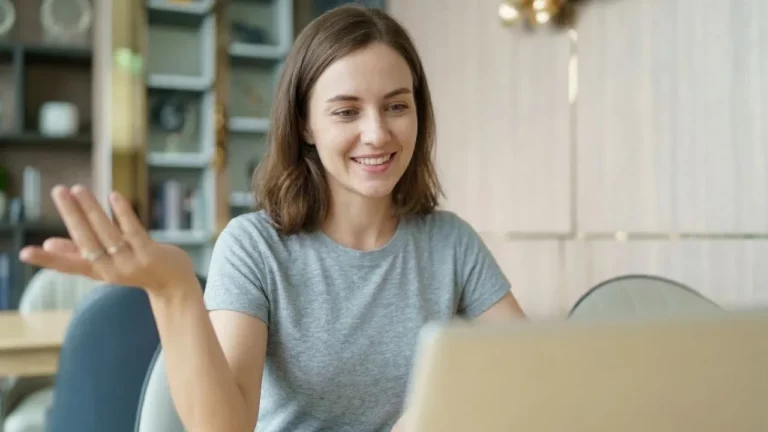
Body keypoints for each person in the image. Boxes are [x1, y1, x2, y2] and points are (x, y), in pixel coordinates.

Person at [20, 4, 526, 432]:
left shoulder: (451, 242)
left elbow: (533, 373)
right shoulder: (254, 246)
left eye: (396, 106)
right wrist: (174, 290)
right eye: (346, 111)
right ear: (305, 124)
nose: (377, 133)